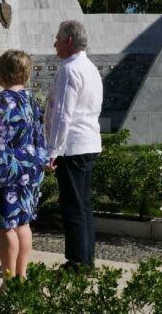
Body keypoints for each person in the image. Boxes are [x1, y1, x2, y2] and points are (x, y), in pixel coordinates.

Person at [0, 49, 48, 278]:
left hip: (7, 170)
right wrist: (41, 163)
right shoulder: (31, 100)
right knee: (23, 223)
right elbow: (40, 135)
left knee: (6, 226)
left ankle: (8, 284)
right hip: (30, 169)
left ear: (5, 74)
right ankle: (22, 277)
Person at [44, 20, 103, 271]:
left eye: (58, 38)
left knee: (73, 206)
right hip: (87, 142)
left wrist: (53, 151)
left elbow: (62, 114)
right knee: (83, 205)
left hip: (72, 146)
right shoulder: (89, 67)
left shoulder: (69, 69)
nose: (54, 43)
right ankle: (86, 259)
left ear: (69, 41)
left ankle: (77, 262)